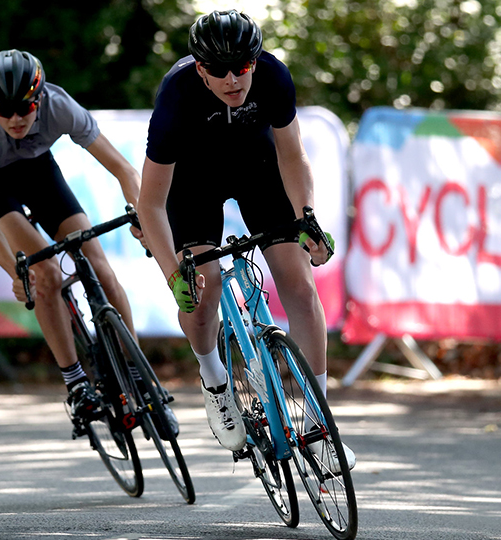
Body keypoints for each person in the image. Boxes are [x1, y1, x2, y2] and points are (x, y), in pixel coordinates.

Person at [138, 10, 354, 471]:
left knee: (298, 284)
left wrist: (306, 219)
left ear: (255, 61)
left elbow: (293, 156)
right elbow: (151, 203)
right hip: (194, 183)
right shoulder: (177, 97)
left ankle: (319, 426)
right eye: (218, 70)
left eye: (242, 66)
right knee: (204, 287)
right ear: (200, 69)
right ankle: (214, 379)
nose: (233, 78)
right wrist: (174, 273)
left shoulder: (273, 75)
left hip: (259, 169)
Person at [0, 49, 173, 433]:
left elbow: (122, 168)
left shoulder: (60, 105)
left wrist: (143, 216)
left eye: (25, 108)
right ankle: (76, 383)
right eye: (4, 110)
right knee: (45, 273)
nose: (16, 119)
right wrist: (16, 273)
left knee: (97, 263)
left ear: (40, 98)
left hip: (37, 169)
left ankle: (137, 371)